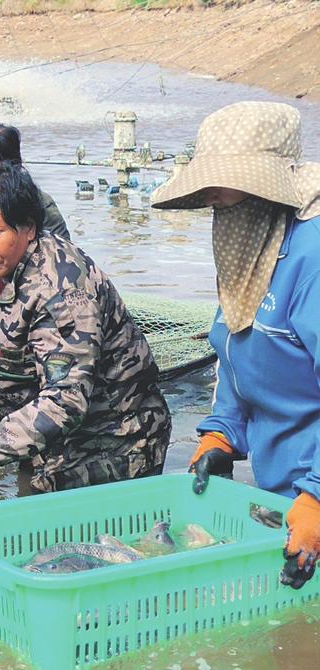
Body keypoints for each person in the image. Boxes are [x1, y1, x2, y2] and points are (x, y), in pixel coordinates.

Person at [0, 163, 170, 494]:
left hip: (112, 445)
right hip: (52, 438)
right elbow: (14, 366)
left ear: (28, 228)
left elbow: (65, 403)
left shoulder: (61, 289)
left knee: (74, 541)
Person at [151, 101, 320, 590]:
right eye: (214, 203)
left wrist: (315, 497)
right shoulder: (248, 248)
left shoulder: (311, 258)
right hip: (284, 491)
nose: (217, 207)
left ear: (266, 190)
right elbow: (236, 350)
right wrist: (222, 434)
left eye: (227, 197)